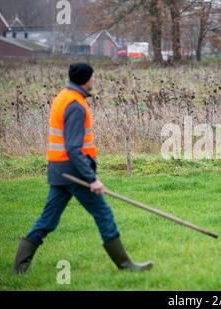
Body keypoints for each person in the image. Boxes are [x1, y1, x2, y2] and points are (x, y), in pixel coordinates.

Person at [12, 63, 153, 273]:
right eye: (93, 77)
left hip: (59, 171)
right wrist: (91, 179)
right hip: (74, 173)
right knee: (103, 213)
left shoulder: (63, 97)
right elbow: (73, 148)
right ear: (84, 80)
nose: (94, 80)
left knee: (48, 220)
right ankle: (126, 265)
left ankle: (19, 269)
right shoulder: (75, 105)